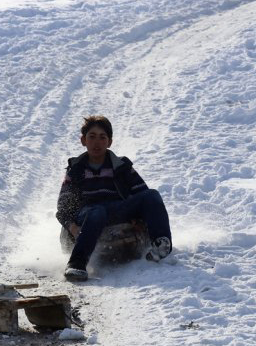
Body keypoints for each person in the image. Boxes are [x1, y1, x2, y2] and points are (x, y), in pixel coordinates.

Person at [56, 115, 172, 281]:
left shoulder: (121, 167)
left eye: (102, 137)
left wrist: (138, 219)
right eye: (92, 137)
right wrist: (72, 226)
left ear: (109, 142)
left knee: (152, 195)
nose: (97, 142)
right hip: (88, 215)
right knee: (97, 211)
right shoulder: (76, 170)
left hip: (117, 210)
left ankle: (160, 244)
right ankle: (77, 264)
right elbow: (63, 207)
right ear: (83, 140)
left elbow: (141, 195)